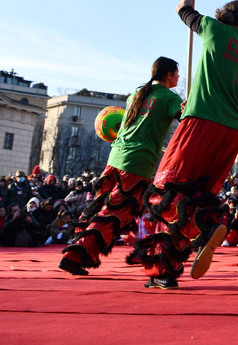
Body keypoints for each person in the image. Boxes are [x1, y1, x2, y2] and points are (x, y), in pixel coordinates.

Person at [127, 0, 238, 289]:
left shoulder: (214, 30)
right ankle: (171, 263)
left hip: (202, 121)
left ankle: (197, 234)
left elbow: (182, 10)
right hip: (234, 132)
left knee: (166, 190)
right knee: (197, 197)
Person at [59, 57, 182, 276]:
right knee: (117, 211)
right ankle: (76, 255)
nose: (179, 77)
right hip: (137, 160)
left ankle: (86, 248)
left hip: (116, 155)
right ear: (169, 74)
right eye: (177, 73)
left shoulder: (136, 94)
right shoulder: (168, 97)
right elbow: (187, 117)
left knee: (101, 205)